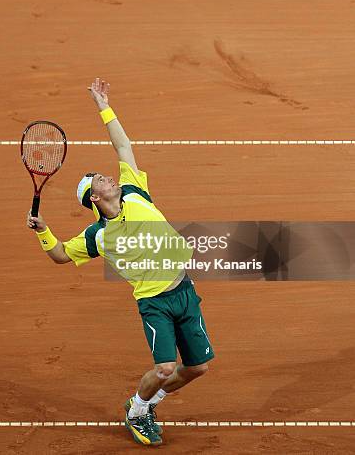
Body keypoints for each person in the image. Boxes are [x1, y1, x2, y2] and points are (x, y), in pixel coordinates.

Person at [27, 78, 215, 446]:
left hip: (185, 290)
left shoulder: (134, 190)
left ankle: (148, 404)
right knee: (164, 368)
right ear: (94, 198)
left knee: (197, 368)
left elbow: (123, 145)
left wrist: (103, 106)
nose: (109, 176)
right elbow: (60, 255)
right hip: (155, 303)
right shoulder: (97, 237)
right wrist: (43, 230)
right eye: (101, 179)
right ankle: (136, 411)